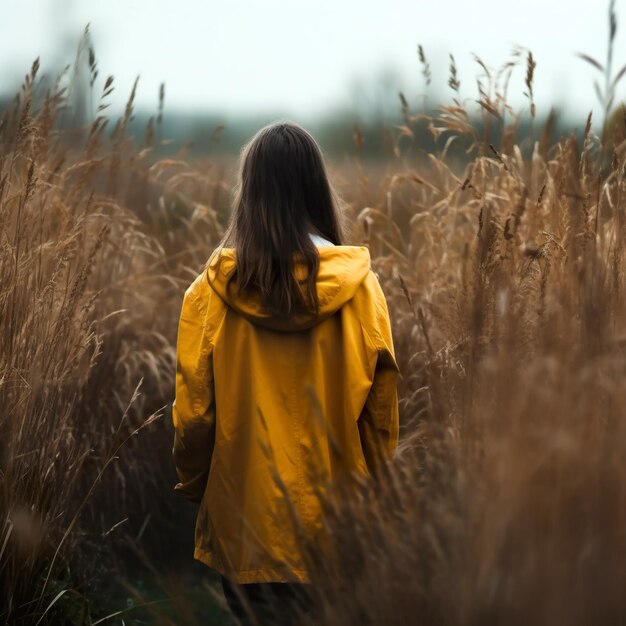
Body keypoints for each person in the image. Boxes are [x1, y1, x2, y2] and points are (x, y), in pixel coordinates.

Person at [171, 121, 400, 625]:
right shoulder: (363, 292)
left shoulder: (208, 295)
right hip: (338, 525)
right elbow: (379, 416)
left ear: (248, 194)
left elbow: (193, 419)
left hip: (245, 520)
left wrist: (194, 486)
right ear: (316, 188)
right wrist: (380, 499)